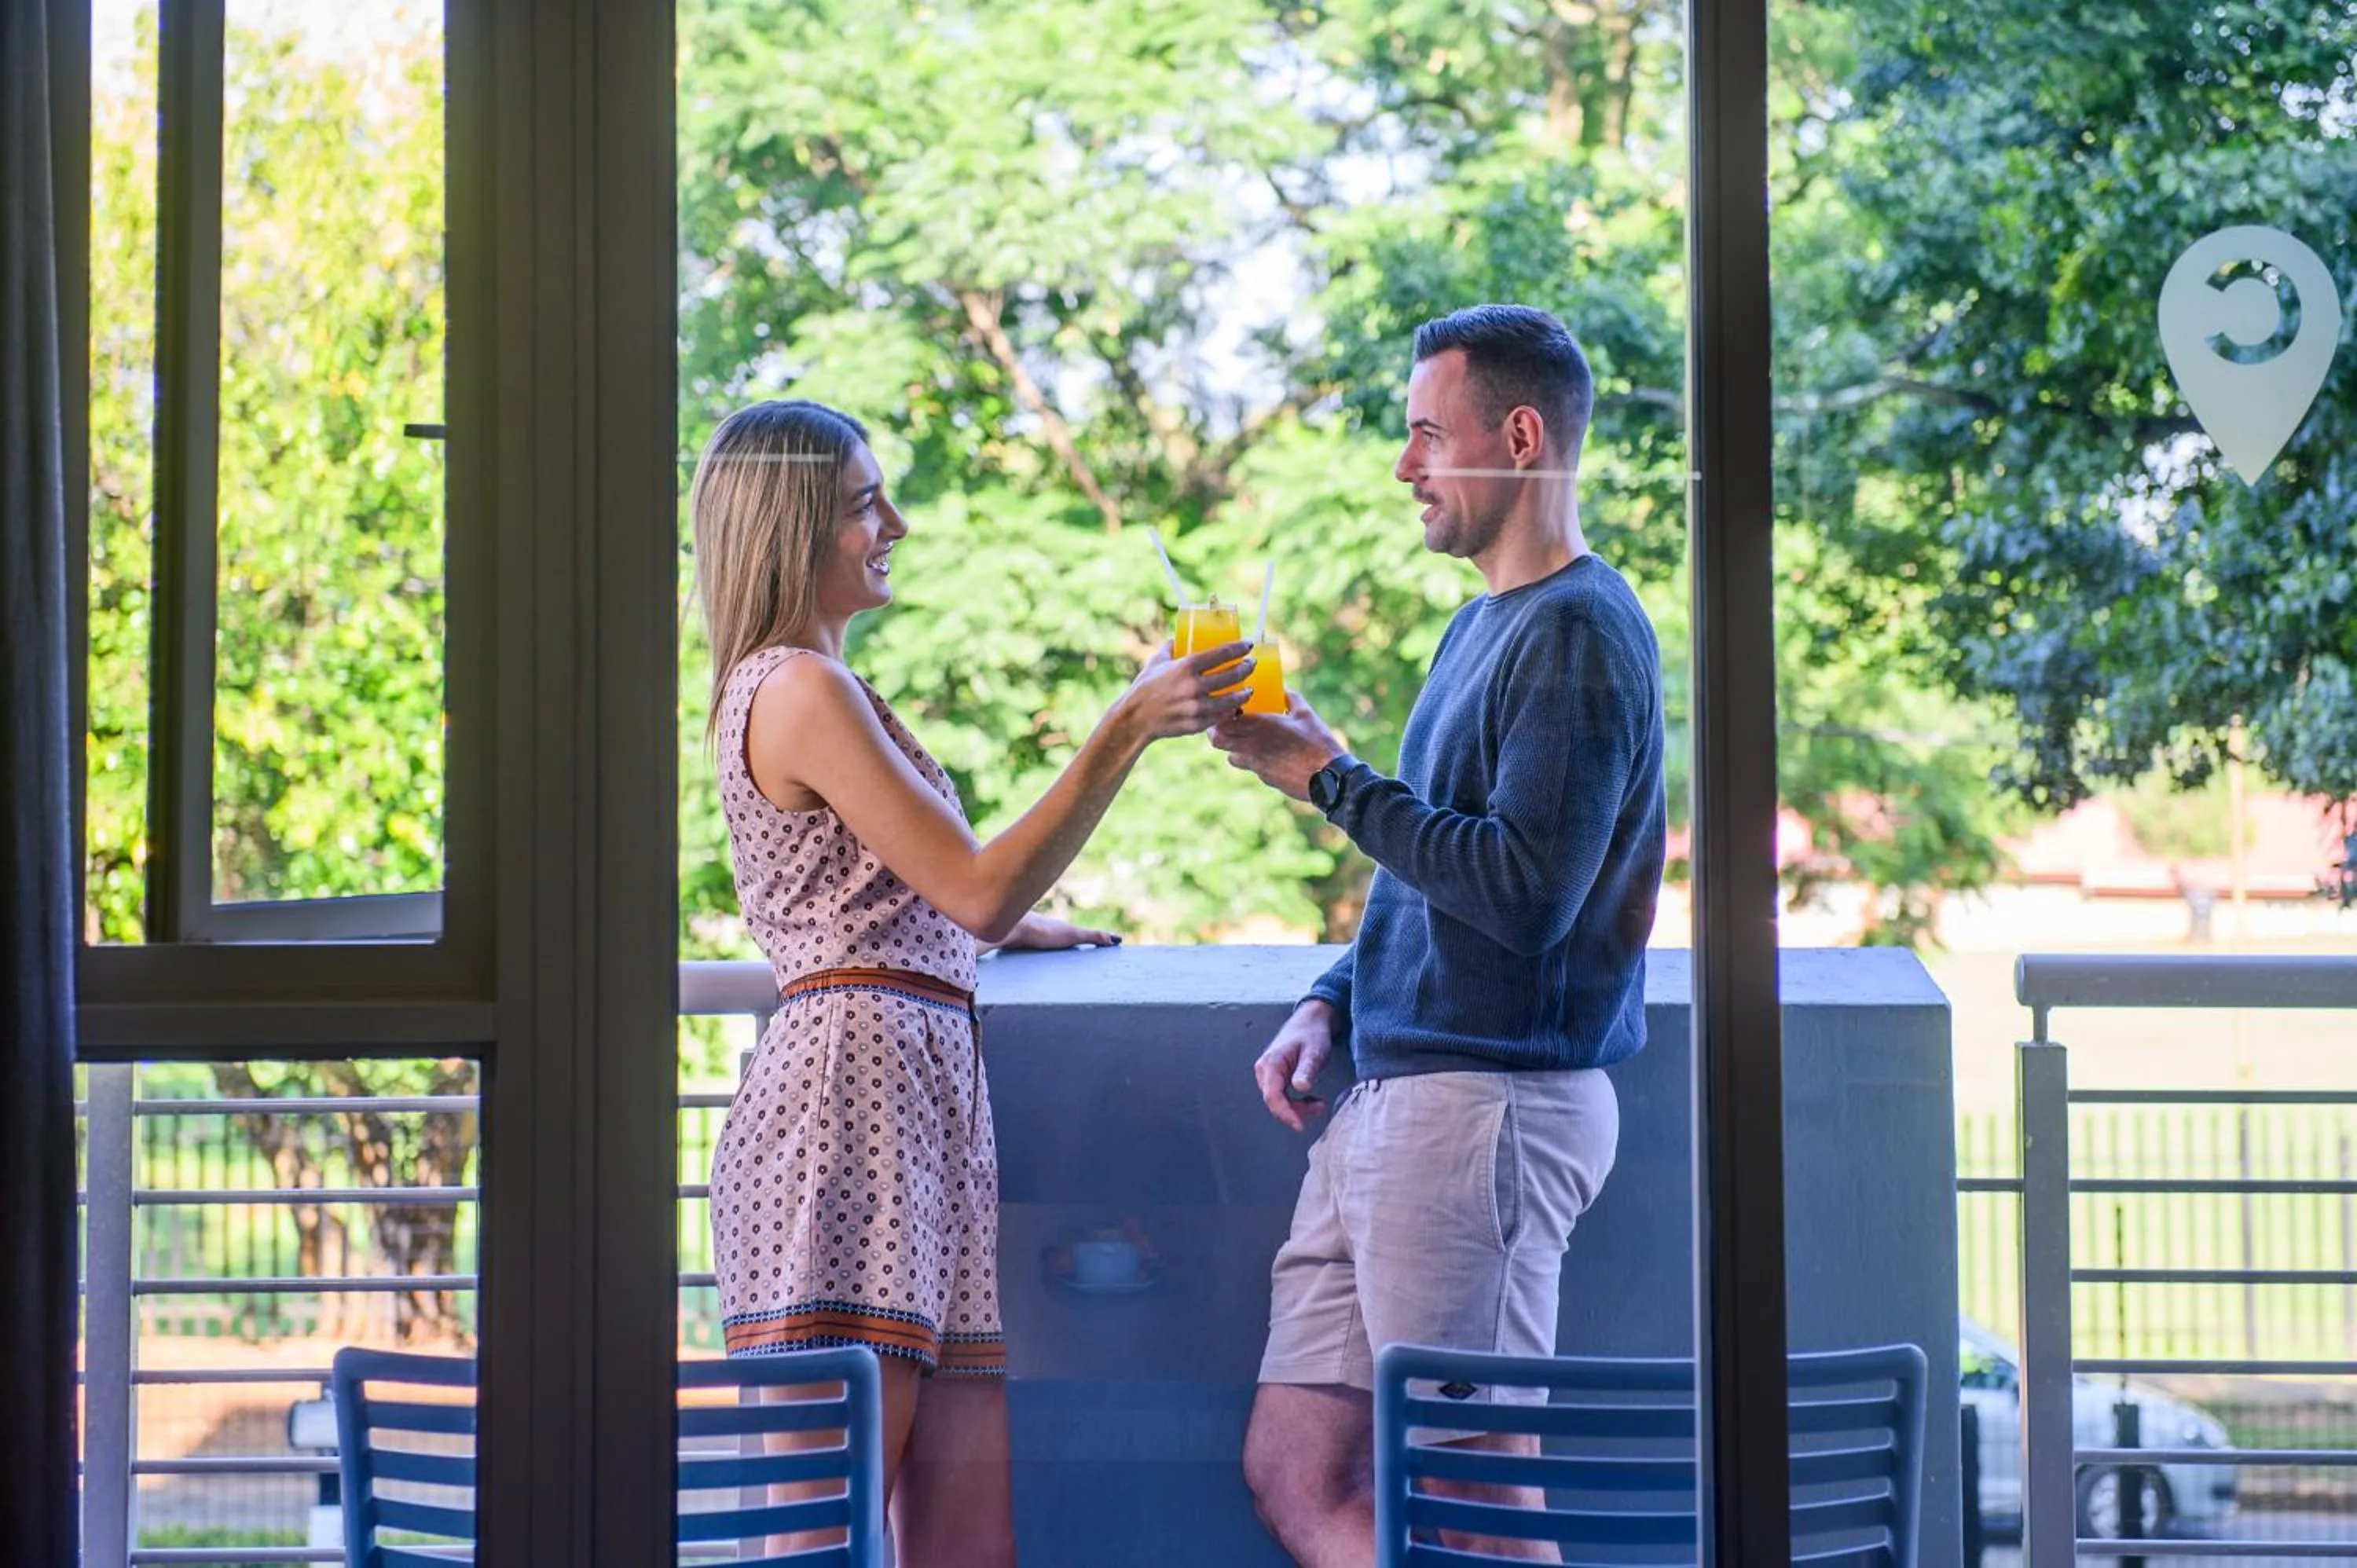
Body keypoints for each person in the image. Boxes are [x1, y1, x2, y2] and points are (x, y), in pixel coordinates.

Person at [689, 397, 1255, 1566]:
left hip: (914, 1115)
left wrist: (973, 940)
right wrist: (1128, 725)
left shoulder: (809, 685)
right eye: (863, 504)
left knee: (962, 1543)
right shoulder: (798, 688)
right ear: (795, 527)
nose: (892, 521)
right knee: (820, 1537)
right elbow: (978, 885)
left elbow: (941, 902)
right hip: (849, 1126)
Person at [1213, 304, 1667, 1566]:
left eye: (1427, 434)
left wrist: (1329, 779)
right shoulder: (1481, 625)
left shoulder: (1580, 631)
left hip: (1488, 1118)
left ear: (1518, 437)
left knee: (1471, 1499)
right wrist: (1333, 1001)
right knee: (1294, 1471)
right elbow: (1431, 878)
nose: (1404, 466)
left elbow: (1525, 893)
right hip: (1401, 1101)